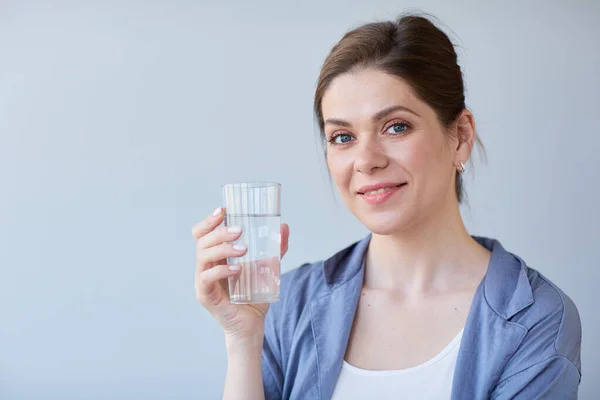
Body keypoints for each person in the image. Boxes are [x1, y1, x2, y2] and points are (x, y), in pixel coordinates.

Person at [192, 13, 582, 400]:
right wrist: (243, 340)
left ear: (460, 136)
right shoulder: (288, 304)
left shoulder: (537, 321)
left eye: (396, 127)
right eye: (343, 137)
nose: (366, 160)